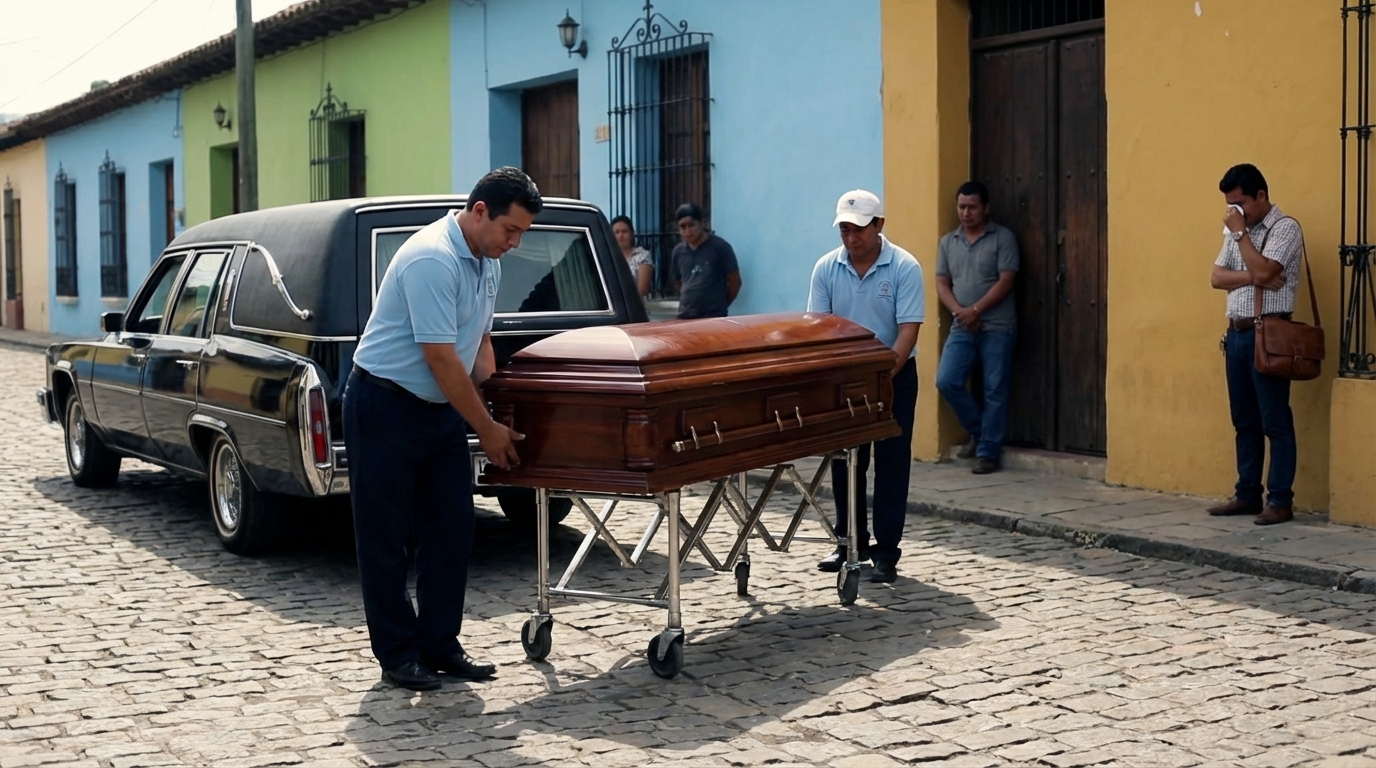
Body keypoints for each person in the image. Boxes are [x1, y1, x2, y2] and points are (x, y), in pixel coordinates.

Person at [343, 166, 537, 691]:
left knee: (451, 527)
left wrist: (500, 409)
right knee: (385, 535)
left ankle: (440, 644)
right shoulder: (432, 257)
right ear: (479, 212)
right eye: (509, 230)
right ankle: (398, 655)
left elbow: (478, 343)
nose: (514, 243)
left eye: (521, 233)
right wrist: (487, 430)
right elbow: (440, 358)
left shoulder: (486, 259)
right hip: (384, 404)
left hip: (438, 411)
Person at [808, 189, 924, 584]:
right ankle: (848, 540)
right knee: (845, 461)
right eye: (844, 229)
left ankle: (886, 550)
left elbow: (908, 329)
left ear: (879, 226)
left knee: (892, 462)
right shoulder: (827, 267)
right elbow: (819, 329)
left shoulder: (904, 267)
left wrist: (882, 374)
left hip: (895, 375)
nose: (851, 238)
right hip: (845, 379)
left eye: (858, 229)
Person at [1207, 163, 1304, 526]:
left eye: (1241, 203)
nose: (1235, 212)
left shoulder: (1285, 228)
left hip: (1271, 333)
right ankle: (1247, 493)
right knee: (1244, 419)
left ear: (1261, 196)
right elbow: (1217, 277)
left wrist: (1242, 239)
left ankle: (1280, 499)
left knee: (1275, 420)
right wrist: (1252, 274)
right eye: (1231, 204)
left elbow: (1268, 272)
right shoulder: (1236, 230)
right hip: (1237, 334)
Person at [934, 181, 1020, 475]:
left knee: (995, 388)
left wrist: (976, 310)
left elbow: (1006, 280)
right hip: (962, 326)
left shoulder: (1002, 238)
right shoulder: (948, 242)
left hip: (996, 325)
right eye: (961, 207)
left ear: (985, 208)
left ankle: (988, 453)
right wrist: (960, 311)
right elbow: (941, 283)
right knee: (947, 380)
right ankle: (981, 433)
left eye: (972, 207)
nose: (966, 213)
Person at [671, 203, 741, 318]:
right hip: (685, 316)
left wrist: (721, 305)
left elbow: (735, 282)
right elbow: (678, 282)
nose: (687, 231)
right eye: (683, 227)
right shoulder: (678, 252)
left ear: (702, 223)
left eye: (691, 225)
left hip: (713, 317)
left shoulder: (720, 247)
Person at [612, 215, 654, 299]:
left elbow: (642, 289)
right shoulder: (607, 257)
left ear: (632, 234)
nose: (620, 236)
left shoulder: (642, 256)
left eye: (624, 231)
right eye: (617, 232)